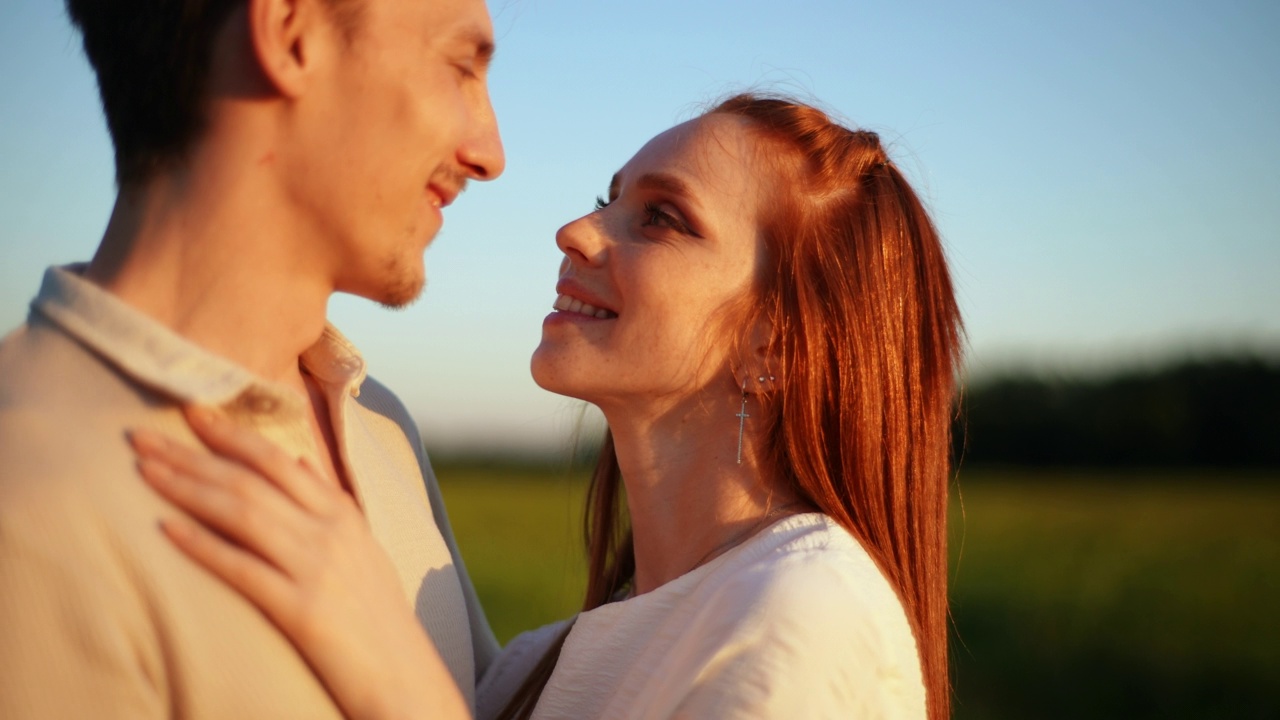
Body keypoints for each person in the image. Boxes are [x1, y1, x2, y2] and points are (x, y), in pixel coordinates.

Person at [130, 93, 963, 719]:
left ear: (773, 344)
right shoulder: (555, 657)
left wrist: (388, 667)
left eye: (661, 218)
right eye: (608, 197)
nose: (577, 228)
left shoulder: (802, 614)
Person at [0, 0, 504, 717]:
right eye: (461, 66)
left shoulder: (380, 425)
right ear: (290, 34)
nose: (490, 153)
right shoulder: (27, 503)